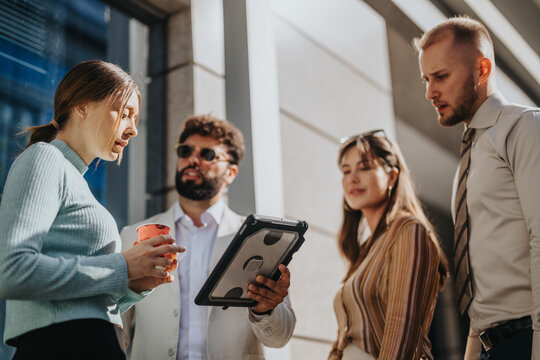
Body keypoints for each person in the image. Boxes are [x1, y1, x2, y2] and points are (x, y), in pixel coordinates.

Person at [0, 60, 184, 360]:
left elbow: (85, 304)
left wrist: (134, 284)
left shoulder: (77, 181)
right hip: (61, 346)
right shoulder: (44, 158)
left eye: (135, 119)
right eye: (124, 114)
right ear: (82, 105)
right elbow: (12, 271)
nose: (134, 129)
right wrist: (122, 267)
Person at [120, 114, 295, 360]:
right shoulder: (133, 236)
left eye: (208, 154)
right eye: (186, 151)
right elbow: (116, 325)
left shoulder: (258, 238)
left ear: (231, 172)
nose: (193, 159)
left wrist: (265, 310)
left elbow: (280, 337)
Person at [415, 17, 540, 359]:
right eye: (426, 79)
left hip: (527, 339)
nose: (429, 92)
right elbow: (479, 273)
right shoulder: (470, 158)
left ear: (482, 69)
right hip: (490, 347)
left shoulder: (524, 128)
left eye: (440, 76)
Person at [328, 130, 448, 360]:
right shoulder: (364, 251)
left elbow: (403, 323)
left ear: (392, 176)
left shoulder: (408, 230)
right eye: (346, 170)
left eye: (364, 167)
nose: (352, 178)